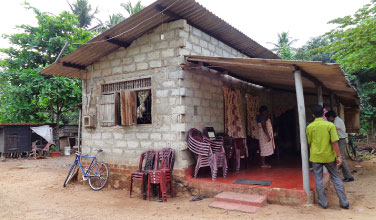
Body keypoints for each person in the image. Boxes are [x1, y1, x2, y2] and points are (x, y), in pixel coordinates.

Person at [306, 105, 350, 209]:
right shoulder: (330, 125)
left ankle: (323, 203)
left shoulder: (309, 127)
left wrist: (312, 154)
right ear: (323, 114)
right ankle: (344, 202)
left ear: (313, 115)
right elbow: (334, 142)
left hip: (316, 157)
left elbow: (309, 144)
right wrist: (339, 156)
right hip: (329, 156)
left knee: (318, 179)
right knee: (335, 177)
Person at [325, 110, 354, 182]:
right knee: (339, 158)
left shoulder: (337, 121)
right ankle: (347, 176)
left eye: (328, 119)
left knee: (341, 158)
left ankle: (349, 177)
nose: (329, 120)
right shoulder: (336, 120)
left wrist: (324, 124)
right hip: (340, 140)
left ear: (331, 117)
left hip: (341, 140)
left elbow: (334, 128)